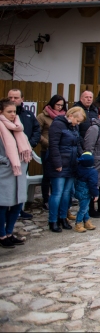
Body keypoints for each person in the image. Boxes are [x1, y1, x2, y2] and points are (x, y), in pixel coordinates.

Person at [0, 98, 32, 248]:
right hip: (5, 172)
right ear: (1, 112)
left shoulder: (17, 126)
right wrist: (5, 161)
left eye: (14, 111)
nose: (13, 114)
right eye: (9, 112)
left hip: (19, 172)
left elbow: (25, 144)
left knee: (17, 205)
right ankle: (1, 235)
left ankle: (9, 232)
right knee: (2, 205)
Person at [47, 107, 85, 232]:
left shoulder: (74, 127)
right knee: (57, 193)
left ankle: (63, 217)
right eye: (77, 121)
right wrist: (57, 163)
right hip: (60, 164)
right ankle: (53, 220)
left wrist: (83, 156)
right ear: (71, 115)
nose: (77, 124)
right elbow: (53, 145)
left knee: (67, 193)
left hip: (72, 163)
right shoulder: (57, 125)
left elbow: (78, 143)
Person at [7, 89, 41, 220]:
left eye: (16, 97)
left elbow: (36, 130)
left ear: (22, 99)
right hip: (7, 157)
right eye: (10, 97)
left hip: (23, 156)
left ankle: (19, 210)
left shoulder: (28, 114)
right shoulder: (3, 116)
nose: (13, 100)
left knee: (20, 185)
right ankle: (7, 209)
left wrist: (29, 145)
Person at [36, 95, 67, 210]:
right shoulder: (42, 116)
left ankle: (57, 198)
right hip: (47, 149)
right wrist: (48, 143)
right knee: (48, 175)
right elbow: (37, 133)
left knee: (59, 175)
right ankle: (46, 199)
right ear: (52, 103)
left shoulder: (65, 116)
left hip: (61, 150)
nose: (59, 107)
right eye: (57, 105)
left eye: (62, 105)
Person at [72, 152, 98, 233]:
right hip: (86, 193)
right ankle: (78, 223)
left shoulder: (79, 168)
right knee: (83, 209)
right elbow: (93, 185)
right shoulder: (92, 172)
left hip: (78, 191)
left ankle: (86, 221)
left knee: (85, 208)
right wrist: (96, 194)